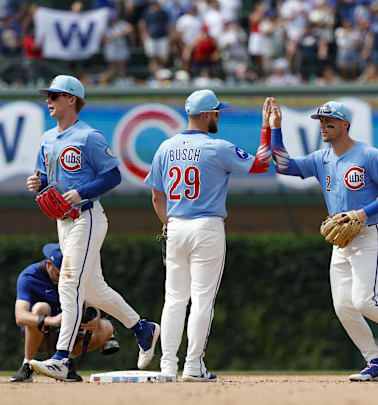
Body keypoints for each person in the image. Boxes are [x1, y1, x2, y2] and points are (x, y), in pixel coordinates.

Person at [269, 98, 378, 382]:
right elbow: (282, 165)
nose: (324, 126)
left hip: (369, 235)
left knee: (364, 301)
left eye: (330, 121)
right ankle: (375, 363)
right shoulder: (321, 158)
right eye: (321, 121)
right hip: (342, 242)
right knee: (343, 306)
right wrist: (276, 128)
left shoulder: (369, 155)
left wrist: (361, 213)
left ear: (345, 124)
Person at [26, 75, 159, 381]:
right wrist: (38, 183)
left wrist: (83, 192)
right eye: (48, 96)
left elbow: (113, 176)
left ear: (72, 99)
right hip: (64, 221)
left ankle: (61, 358)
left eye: (55, 96)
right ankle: (143, 328)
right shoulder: (48, 139)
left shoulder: (89, 137)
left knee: (68, 285)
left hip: (87, 217)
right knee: (95, 290)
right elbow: (45, 179)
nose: (49, 100)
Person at [144, 89, 271, 382]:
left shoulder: (165, 147)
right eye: (216, 111)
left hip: (175, 225)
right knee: (202, 300)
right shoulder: (218, 147)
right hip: (206, 228)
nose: (218, 115)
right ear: (205, 115)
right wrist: (266, 127)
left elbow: (156, 197)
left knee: (174, 300)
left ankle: (167, 367)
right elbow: (262, 164)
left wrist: (167, 224)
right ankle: (192, 366)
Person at [11, 243, 117, 383]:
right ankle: (27, 365)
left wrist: (95, 316)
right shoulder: (29, 276)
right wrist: (53, 320)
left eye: (68, 275)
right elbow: (20, 316)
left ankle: (66, 363)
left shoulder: (76, 275)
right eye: (60, 274)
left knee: (106, 327)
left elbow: (91, 303)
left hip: (69, 335)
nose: (64, 279)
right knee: (40, 308)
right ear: (49, 264)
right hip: (41, 337)